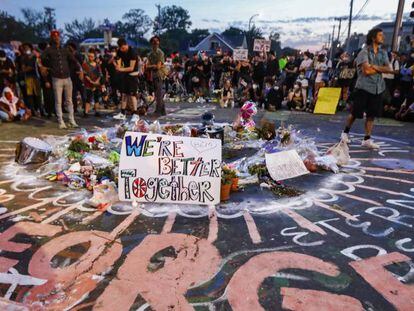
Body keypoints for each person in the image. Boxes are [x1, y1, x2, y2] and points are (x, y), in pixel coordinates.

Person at [341, 28, 393, 149]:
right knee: (355, 113)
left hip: (378, 87)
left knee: (371, 115)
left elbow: (388, 69)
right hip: (364, 87)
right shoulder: (364, 52)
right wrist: (379, 68)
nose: (383, 37)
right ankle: (345, 133)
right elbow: (366, 71)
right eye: (380, 35)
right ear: (373, 38)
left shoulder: (383, 53)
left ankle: (367, 139)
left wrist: (374, 66)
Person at [40, 30, 80, 129]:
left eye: (58, 37)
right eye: (54, 37)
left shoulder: (65, 50)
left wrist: (71, 70)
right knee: (58, 101)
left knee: (69, 100)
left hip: (67, 77)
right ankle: (61, 121)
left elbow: (73, 60)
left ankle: (71, 120)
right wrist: (47, 68)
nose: (56, 38)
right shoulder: (49, 50)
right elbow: (41, 59)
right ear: (52, 38)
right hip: (56, 78)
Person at [114, 38, 139, 119]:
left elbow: (131, 68)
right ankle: (122, 113)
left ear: (126, 45)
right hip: (125, 74)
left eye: (123, 48)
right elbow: (118, 59)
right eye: (121, 48)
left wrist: (120, 69)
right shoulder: (120, 51)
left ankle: (135, 114)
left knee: (132, 95)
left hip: (133, 74)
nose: (122, 50)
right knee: (124, 94)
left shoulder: (133, 52)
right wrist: (118, 64)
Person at [20, 43, 43, 116]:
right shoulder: (23, 58)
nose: (26, 49)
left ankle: (40, 110)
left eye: (28, 47)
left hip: (36, 77)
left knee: (38, 94)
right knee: (29, 95)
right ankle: (32, 110)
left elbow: (39, 65)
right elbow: (23, 68)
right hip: (28, 77)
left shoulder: (35, 57)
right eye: (25, 48)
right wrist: (28, 68)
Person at [147, 36, 166, 116]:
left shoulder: (160, 53)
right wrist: (153, 66)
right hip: (154, 74)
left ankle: (158, 111)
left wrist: (151, 66)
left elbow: (157, 67)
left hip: (159, 74)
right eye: (154, 41)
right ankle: (162, 110)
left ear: (159, 42)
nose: (155, 43)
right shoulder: (150, 54)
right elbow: (148, 66)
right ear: (151, 43)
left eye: (157, 41)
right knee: (158, 93)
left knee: (158, 94)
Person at [82, 48, 103, 117]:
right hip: (89, 84)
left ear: (94, 57)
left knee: (96, 97)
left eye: (92, 56)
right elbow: (85, 75)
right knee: (88, 98)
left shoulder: (97, 65)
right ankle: (86, 112)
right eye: (89, 56)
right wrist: (91, 82)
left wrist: (97, 82)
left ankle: (97, 111)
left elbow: (100, 74)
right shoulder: (85, 64)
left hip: (96, 83)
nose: (90, 58)